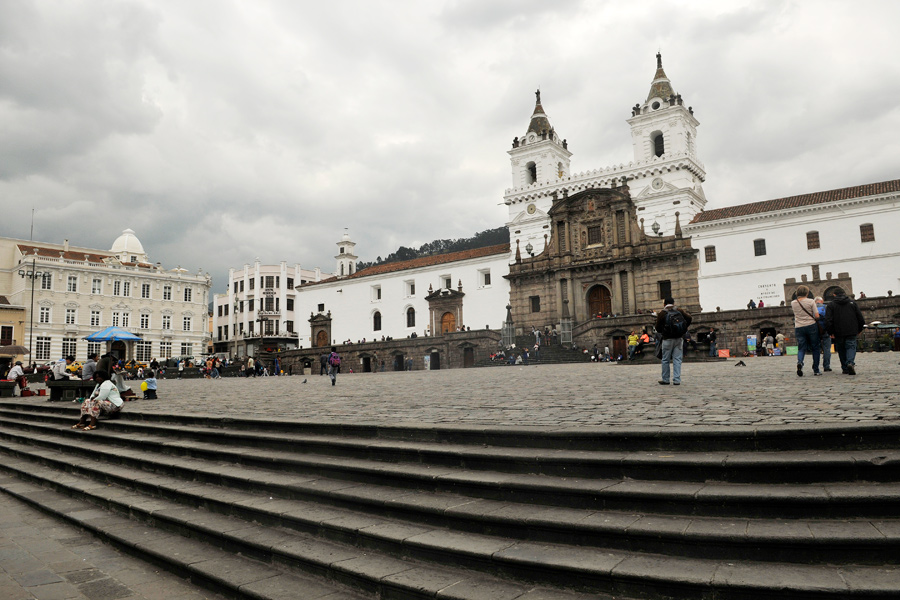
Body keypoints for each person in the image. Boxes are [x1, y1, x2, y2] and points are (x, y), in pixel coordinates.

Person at [825, 288, 865, 375]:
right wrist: (859, 329)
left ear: (834, 295)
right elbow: (860, 318)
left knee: (841, 349)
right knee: (851, 347)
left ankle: (845, 368)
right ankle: (850, 363)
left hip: (838, 331)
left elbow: (828, 320)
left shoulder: (831, 305)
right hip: (851, 330)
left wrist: (830, 332)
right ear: (844, 294)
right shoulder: (852, 303)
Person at [655, 297, 692, 385]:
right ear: (673, 303)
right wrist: (684, 328)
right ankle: (677, 380)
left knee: (665, 360)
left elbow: (657, 328)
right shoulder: (679, 311)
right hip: (679, 338)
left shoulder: (662, 313)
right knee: (677, 359)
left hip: (667, 339)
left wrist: (663, 331)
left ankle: (666, 379)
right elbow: (689, 318)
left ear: (664, 304)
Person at [791, 284, 821, 377]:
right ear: (807, 293)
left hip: (799, 327)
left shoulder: (793, 303)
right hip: (811, 325)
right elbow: (816, 316)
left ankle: (800, 362)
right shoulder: (811, 301)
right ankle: (816, 369)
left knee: (801, 347)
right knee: (815, 347)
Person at [815, 296, 832, 372]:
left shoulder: (811, 308)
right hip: (825, 330)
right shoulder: (825, 307)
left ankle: (816, 367)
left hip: (815, 331)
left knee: (816, 349)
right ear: (821, 301)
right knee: (827, 349)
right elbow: (829, 319)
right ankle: (826, 366)